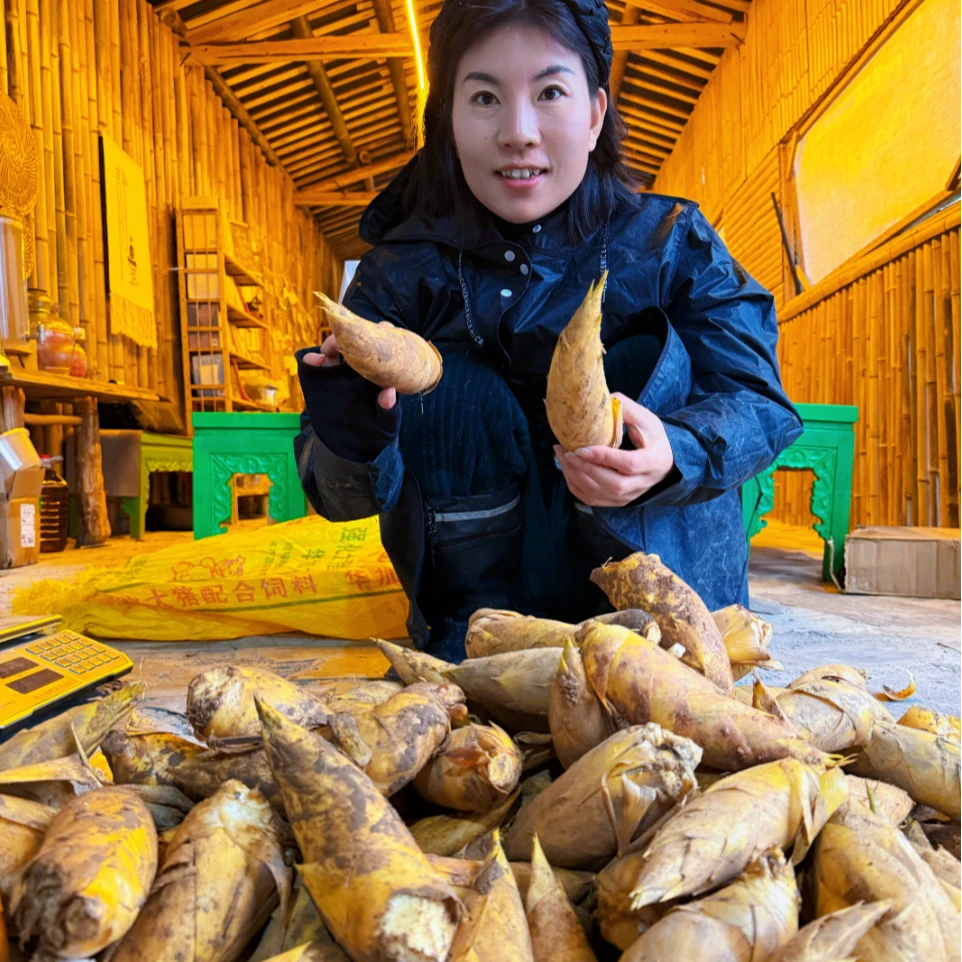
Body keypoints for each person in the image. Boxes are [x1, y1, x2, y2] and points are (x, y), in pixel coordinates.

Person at [294, 0, 802, 661]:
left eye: (550, 92)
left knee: (640, 358)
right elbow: (336, 497)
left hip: (667, 630)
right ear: (448, 118)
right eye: (484, 97)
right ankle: (471, 628)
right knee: (449, 386)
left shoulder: (675, 245)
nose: (519, 131)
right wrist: (354, 440)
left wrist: (674, 448)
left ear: (594, 113)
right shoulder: (399, 273)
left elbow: (760, 401)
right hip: (473, 640)